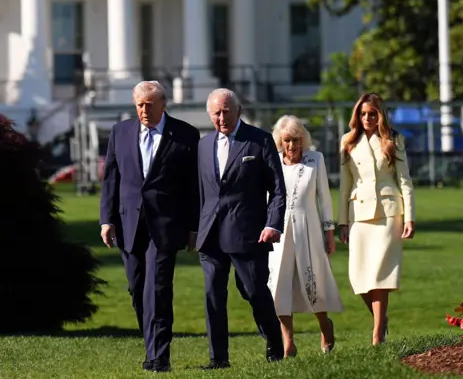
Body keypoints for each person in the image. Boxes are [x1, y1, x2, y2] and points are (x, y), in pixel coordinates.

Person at [100, 81, 200, 373]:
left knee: (157, 288)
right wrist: (106, 220)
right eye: (139, 105)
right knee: (137, 288)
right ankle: (151, 345)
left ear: (163, 104)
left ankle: (159, 355)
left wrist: (193, 227)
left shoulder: (185, 135)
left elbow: (193, 187)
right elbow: (111, 180)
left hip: (165, 225)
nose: (143, 110)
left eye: (149, 105)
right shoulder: (120, 132)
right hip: (128, 223)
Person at [196, 88, 286, 370]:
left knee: (254, 291)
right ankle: (218, 358)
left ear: (238, 110)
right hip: (210, 235)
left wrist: (273, 224)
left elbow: (278, 189)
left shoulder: (258, 141)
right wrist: (193, 229)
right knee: (213, 294)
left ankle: (274, 342)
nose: (221, 117)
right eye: (215, 113)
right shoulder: (203, 145)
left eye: (225, 111)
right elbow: (201, 191)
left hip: (248, 233)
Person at [338, 93, 415, 345]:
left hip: (388, 213)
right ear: (357, 116)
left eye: (372, 113)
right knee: (358, 277)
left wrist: (409, 218)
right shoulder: (347, 141)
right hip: (358, 214)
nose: (367, 118)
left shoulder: (394, 140)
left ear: (380, 114)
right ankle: (380, 320)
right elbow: (344, 185)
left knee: (380, 274)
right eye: (363, 114)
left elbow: (405, 181)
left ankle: (377, 334)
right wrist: (342, 222)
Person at [268, 115, 343, 358]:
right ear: (280, 140)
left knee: (314, 282)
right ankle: (288, 341)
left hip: (308, 230)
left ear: (303, 140)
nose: (292, 145)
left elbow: (325, 198)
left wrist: (329, 232)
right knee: (278, 285)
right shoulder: (272, 161)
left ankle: (325, 327)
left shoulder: (315, 159)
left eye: (296, 140)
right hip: (278, 233)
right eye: (287, 140)